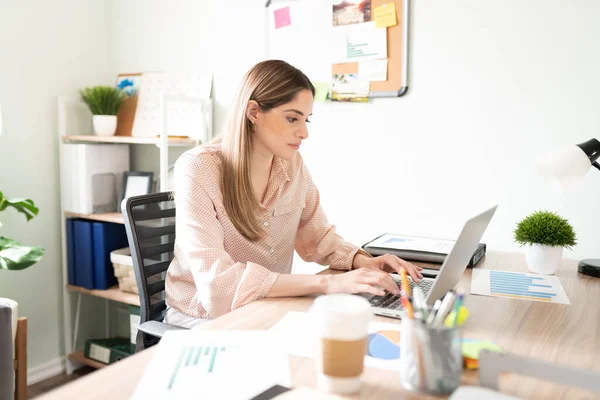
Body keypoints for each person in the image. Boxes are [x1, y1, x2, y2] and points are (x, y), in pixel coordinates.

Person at [164, 60, 423, 328]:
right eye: (292, 118)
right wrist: (329, 282)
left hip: (266, 307)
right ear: (254, 112)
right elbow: (217, 287)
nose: (305, 132)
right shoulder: (197, 168)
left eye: (306, 119)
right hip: (201, 318)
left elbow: (317, 237)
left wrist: (364, 262)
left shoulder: (291, 164)